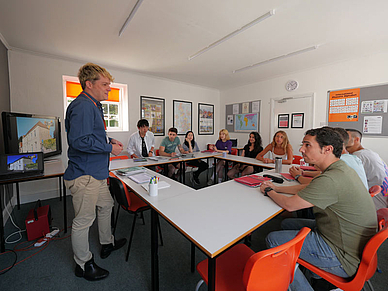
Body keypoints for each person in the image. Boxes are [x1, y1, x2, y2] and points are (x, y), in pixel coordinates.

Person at [260, 127, 377, 291]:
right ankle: (302, 267)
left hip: (343, 257)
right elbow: (307, 190)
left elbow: (289, 205)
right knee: (288, 223)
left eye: (307, 145)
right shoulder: (339, 169)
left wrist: (268, 191)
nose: (301, 149)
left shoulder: (331, 179)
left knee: (274, 239)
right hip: (348, 242)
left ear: (327, 149)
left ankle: (302, 284)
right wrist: (277, 189)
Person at [64, 63, 127, 281]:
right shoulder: (83, 106)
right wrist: (110, 148)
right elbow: (80, 141)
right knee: (83, 220)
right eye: (105, 84)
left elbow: (91, 135)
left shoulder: (94, 105)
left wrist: (109, 140)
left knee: (107, 205)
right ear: (89, 84)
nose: (109, 88)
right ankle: (83, 265)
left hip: (97, 173)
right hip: (85, 175)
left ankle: (106, 243)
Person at [288, 127, 368, 190]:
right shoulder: (351, 157)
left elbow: (318, 183)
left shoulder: (340, 162)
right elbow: (321, 175)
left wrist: (298, 176)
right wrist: (304, 173)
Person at [346, 128, 388, 210]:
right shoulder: (369, 153)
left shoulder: (358, 157)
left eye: (345, 138)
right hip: (382, 202)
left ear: (356, 140)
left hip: (375, 206)